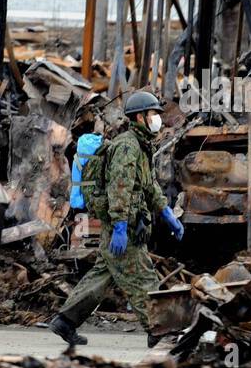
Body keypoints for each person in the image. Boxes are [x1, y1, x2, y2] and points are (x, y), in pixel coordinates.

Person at [50, 90, 184, 347]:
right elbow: (119, 188)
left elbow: (149, 185)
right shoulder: (127, 146)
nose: (158, 118)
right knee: (142, 276)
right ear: (140, 117)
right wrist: (120, 226)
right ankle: (159, 329)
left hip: (129, 222)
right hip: (124, 225)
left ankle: (65, 321)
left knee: (103, 273)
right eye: (154, 113)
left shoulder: (141, 145)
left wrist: (166, 213)